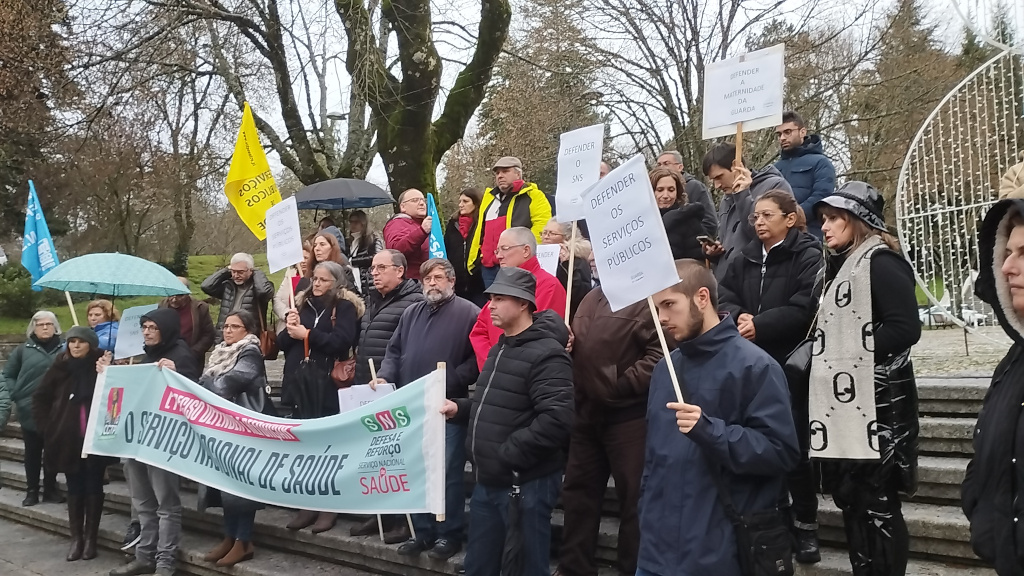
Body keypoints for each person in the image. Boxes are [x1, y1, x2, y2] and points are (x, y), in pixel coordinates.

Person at [637, 259, 800, 576]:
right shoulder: (664, 369)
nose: (662, 318)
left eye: (669, 305)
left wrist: (709, 430)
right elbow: (654, 461)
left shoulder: (756, 366)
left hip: (718, 552)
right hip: (655, 553)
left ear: (701, 298)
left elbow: (781, 452)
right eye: (657, 308)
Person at [810, 182, 920, 576]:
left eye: (834, 218)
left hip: (881, 407)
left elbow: (906, 329)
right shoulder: (838, 267)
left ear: (858, 221)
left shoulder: (880, 263)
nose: (825, 227)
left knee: (878, 504)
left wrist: (846, 348)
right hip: (845, 407)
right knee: (852, 500)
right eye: (823, 219)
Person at [440, 267, 574, 576]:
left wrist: (510, 452)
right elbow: (497, 402)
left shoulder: (547, 354)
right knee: (479, 565)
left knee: (526, 565)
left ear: (524, 303)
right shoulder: (502, 346)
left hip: (524, 482)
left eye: (500, 299)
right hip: (490, 480)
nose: (491, 307)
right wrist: (459, 408)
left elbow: (557, 418)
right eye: (491, 299)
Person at [717, 190, 824, 563]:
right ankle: (773, 519)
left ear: (789, 218)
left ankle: (807, 525)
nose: (758, 222)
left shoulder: (808, 254)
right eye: (754, 217)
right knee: (758, 441)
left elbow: (805, 305)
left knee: (793, 448)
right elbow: (723, 294)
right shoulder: (743, 255)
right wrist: (740, 319)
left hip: (789, 364)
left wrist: (759, 325)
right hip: (748, 362)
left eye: (766, 215)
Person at [368, 258, 480, 559]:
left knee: (447, 474)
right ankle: (423, 532)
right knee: (416, 471)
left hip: (447, 406)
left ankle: (449, 534)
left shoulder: (469, 313)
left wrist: (452, 378)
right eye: (427, 278)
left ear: (452, 281)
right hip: (412, 406)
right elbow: (394, 351)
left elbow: (478, 359)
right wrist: (385, 376)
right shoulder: (410, 313)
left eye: (439, 278)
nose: (432, 283)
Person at [555, 286, 663, 576]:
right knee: (578, 494)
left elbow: (661, 354)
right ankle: (574, 567)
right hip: (586, 412)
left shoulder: (649, 296)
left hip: (629, 417)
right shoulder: (591, 297)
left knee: (633, 500)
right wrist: (569, 342)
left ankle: (631, 569)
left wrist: (619, 385)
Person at [109, 308, 201, 576]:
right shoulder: (144, 357)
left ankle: (165, 561)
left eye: (152, 327)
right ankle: (144, 555)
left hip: (164, 442)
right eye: (144, 327)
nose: (147, 332)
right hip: (138, 439)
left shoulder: (182, 355)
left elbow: (193, 394)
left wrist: (178, 375)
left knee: (166, 506)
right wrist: (109, 374)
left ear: (167, 329)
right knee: (143, 504)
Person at [277, 261, 364, 534]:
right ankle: (308, 504)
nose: (316, 284)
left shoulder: (344, 307)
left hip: (325, 385)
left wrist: (308, 335)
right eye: (314, 278)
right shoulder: (301, 305)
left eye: (324, 280)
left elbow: (341, 341)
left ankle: (329, 505)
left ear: (336, 282)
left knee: (328, 447)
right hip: (300, 382)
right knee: (305, 447)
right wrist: (290, 327)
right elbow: (281, 345)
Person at [965, 197, 1024, 574]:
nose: (1005, 266)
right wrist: (978, 503)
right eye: (1007, 251)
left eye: (1022, 253)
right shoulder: (1013, 361)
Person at [31, 326, 113, 562]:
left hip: (94, 439)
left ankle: (91, 538)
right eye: (72, 342)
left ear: (91, 345)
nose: (75, 346)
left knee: (93, 486)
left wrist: (107, 372)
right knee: (74, 486)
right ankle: (76, 538)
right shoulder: (60, 366)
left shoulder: (102, 365)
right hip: (66, 439)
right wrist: (48, 427)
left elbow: (115, 395)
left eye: (81, 342)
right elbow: (40, 397)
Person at [197, 310, 270, 568]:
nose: (227, 331)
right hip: (224, 426)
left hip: (245, 428)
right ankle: (229, 537)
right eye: (226, 326)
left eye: (234, 326)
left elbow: (227, 384)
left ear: (247, 331)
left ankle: (244, 540)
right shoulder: (220, 353)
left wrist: (207, 383)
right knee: (225, 483)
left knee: (242, 486)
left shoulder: (249, 352)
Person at [469, 227, 567, 369]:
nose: (499, 256)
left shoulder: (548, 285)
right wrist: (492, 363)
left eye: (504, 248)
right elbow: (479, 331)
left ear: (526, 251)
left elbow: (539, 334)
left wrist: (504, 365)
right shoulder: (500, 285)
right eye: (497, 251)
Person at [700, 142, 793, 277]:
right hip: (727, 283)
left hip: (755, 278)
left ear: (736, 166)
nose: (717, 185)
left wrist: (743, 195)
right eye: (713, 180)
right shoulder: (726, 199)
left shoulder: (775, 186)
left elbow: (767, 235)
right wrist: (713, 252)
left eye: (719, 177)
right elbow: (727, 242)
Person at [1, 311, 64, 507]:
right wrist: (16, 394)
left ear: (55, 327)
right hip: (29, 410)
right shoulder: (22, 350)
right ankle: (32, 491)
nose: (45, 328)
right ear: (33, 327)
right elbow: (8, 374)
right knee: (32, 453)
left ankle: (51, 488)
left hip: (58, 409)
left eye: (49, 324)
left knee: (53, 451)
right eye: (40, 324)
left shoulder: (65, 348)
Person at [467, 156, 553, 288]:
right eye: (497, 173)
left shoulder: (534, 196)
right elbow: (480, 231)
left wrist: (524, 255)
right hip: (488, 268)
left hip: (516, 266)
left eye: (505, 171)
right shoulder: (488, 198)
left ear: (518, 174)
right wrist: (477, 258)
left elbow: (542, 227)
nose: (500, 176)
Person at [353, 249, 424, 390]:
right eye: (372, 268)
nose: (374, 273)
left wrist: (388, 376)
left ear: (399, 271)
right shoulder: (370, 300)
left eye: (381, 267)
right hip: (366, 382)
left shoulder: (416, 302)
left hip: (392, 385)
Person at [774, 110, 836, 238]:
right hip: (776, 236)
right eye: (779, 134)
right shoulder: (774, 168)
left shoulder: (820, 162)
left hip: (807, 236)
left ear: (802, 132)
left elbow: (822, 197)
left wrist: (793, 217)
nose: (782, 138)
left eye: (788, 132)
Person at [201, 252, 274, 341]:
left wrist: (257, 272)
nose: (236, 275)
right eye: (233, 271)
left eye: (240, 272)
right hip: (225, 336)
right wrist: (225, 271)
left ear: (250, 270)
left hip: (249, 337)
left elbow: (264, 292)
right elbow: (206, 286)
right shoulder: (228, 286)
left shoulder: (259, 287)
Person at [649, 167, 708, 261]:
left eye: (671, 190)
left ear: (677, 193)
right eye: (660, 190)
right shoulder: (640, 223)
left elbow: (699, 260)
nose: (665, 195)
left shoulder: (689, 221)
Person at [656, 150, 718, 236]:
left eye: (666, 164)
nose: (661, 167)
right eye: (659, 165)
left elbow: (710, 223)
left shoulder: (695, 187)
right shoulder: (651, 191)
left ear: (680, 167)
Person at [541, 218, 593, 320]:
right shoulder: (538, 257)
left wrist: (567, 265)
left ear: (567, 237)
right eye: (544, 233)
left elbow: (580, 294)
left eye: (552, 233)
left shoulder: (577, 260)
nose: (546, 237)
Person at [158, 277, 216, 367]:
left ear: (187, 293)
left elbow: (208, 335)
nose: (174, 299)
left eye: (179, 295)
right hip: (166, 357)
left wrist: (192, 353)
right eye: (171, 294)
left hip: (191, 359)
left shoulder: (200, 308)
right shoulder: (162, 306)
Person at [445, 187, 486, 306]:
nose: (461, 205)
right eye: (460, 201)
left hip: (479, 282)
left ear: (476, 202)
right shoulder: (452, 225)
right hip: (457, 283)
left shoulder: (482, 224)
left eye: (465, 201)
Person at [383, 188, 431, 280]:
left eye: (423, 200)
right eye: (415, 200)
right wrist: (422, 231)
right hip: (412, 285)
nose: (421, 203)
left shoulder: (423, 224)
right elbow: (396, 251)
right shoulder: (397, 223)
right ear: (403, 207)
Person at [273, 243, 310, 334]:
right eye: (300, 258)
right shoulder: (290, 275)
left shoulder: (316, 278)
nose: (303, 261)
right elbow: (277, 300)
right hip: (287, 326)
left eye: (306, 258)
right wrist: (287, 314)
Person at [348, 209, 384, 295]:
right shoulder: (351, 241)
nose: (353, 225)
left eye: (356, 222)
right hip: (355, 283)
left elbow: (377, 258)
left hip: (370, 282)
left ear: (363, 223)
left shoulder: (373, 239)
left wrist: (352, 261)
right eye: (351, 222)